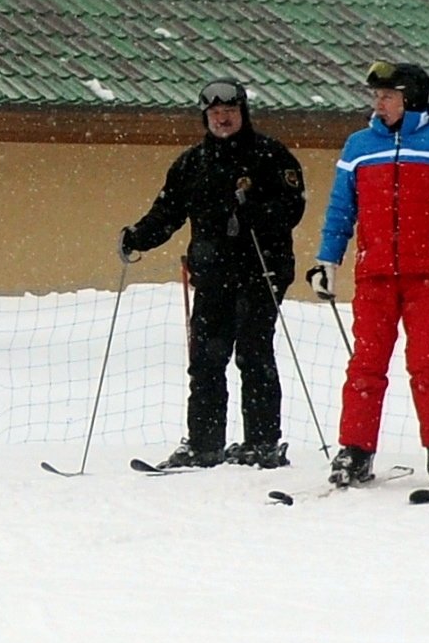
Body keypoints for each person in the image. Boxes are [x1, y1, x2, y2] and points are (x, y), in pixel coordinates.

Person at [307, 60, 429, 487]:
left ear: (410, 98)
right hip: (373, 274)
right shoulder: (358, 146)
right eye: (376, 96)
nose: (379, 103)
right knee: (366, 364)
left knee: (426, 361)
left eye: (387, 96)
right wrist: (327, 261)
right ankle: (354, 450)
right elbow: (341, 210)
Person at [119, 76, 306, 469]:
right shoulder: (192, 163)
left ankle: (261, 443)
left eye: (229, 112)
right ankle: (204, 444)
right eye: (215, 113)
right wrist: (138, 237)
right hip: (212, 273)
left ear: (243, 114)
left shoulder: (271, 156)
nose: (222, 119)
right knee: (206, 358)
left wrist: (255, 208)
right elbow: (167, 212)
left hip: (262, 271)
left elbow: (292, 209)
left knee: (254, 354)